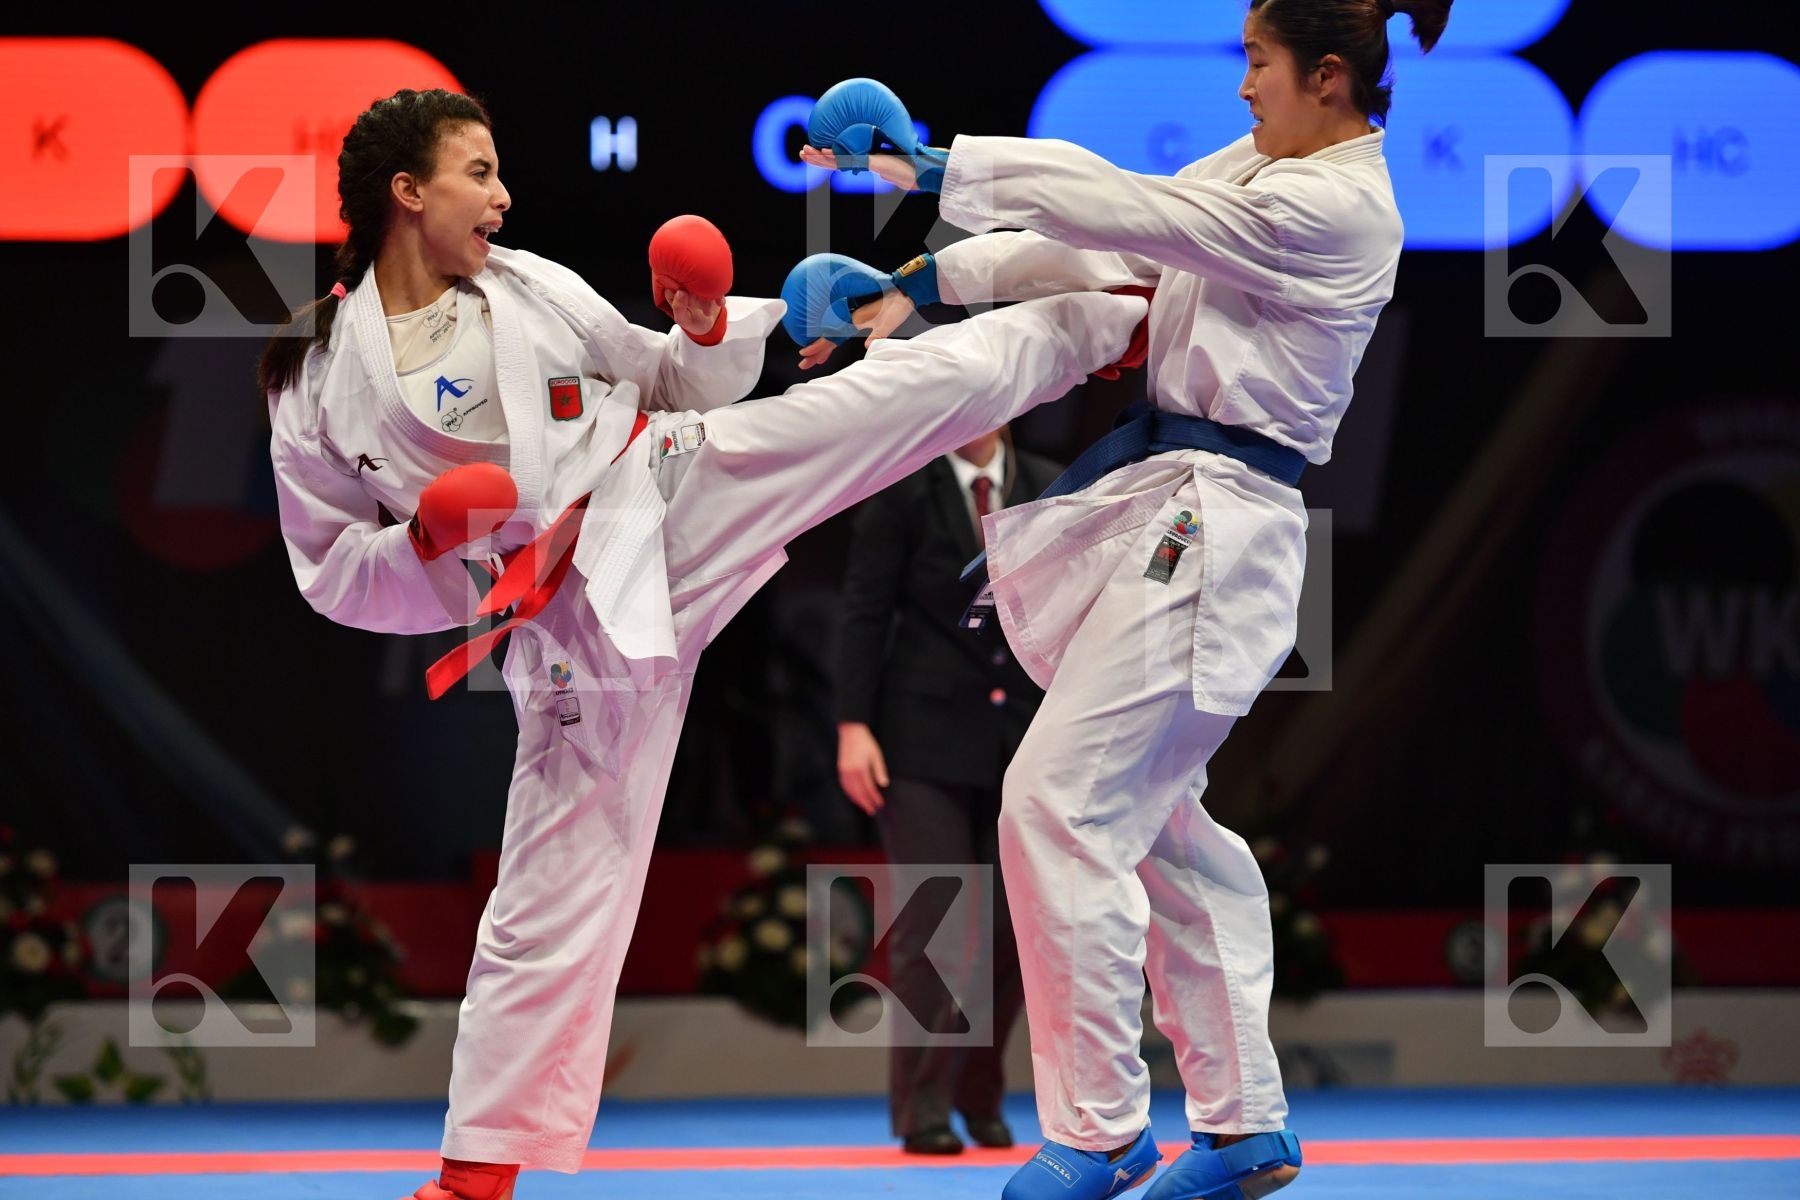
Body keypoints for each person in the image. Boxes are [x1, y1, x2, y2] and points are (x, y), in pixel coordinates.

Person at [260, 89, 1147, 1200]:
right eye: (478, 172)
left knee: (903, 396)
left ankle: (1123, 311)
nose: (503, 194)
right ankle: (477, 1171)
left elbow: (669, 377)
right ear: (407, 192)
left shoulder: (529, 283)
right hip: (569, 621)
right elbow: (334, 574)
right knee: (550, 892)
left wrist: (706, 322)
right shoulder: (314, 379)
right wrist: (428, 548)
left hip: (663, 488)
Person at [798, 1, 1452, 1197]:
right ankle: (1245, 1122)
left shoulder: (1340, 203)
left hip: (1221, 521)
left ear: (1326, 75)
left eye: (1258, 63)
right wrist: (921, 277)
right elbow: (1101, 251)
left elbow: (1132, 211)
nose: (1243, 85)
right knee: (1161, 830)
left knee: (1057, 803)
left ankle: (1099, 1129)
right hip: (1181, 512)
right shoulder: (1260, 166)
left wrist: (946, 163)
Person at [835, 423, 1060, 1155]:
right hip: (918, 738)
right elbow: (864, 611)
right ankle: (923, 1107)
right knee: (935, 919)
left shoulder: (1057, 484)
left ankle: (979, 1091)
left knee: (1010, 928)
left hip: (1024, 736)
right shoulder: (901, 487)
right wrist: (851, 725)